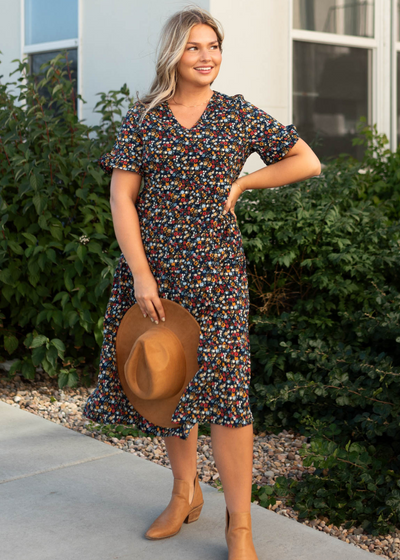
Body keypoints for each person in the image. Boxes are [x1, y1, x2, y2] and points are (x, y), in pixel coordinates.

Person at [83, 5, 321, 558]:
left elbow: (305, 160)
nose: (207, 56)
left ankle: (240, 526)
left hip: (216, 275)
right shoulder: (145, 118)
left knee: (230, 400)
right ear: (174, 53)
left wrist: (244, 183)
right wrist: (141, 274)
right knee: (171, 379)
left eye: (213, 46)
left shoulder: (237, 115)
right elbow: (121, 196)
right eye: (194, 47)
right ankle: (184, 492)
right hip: (157, 273)